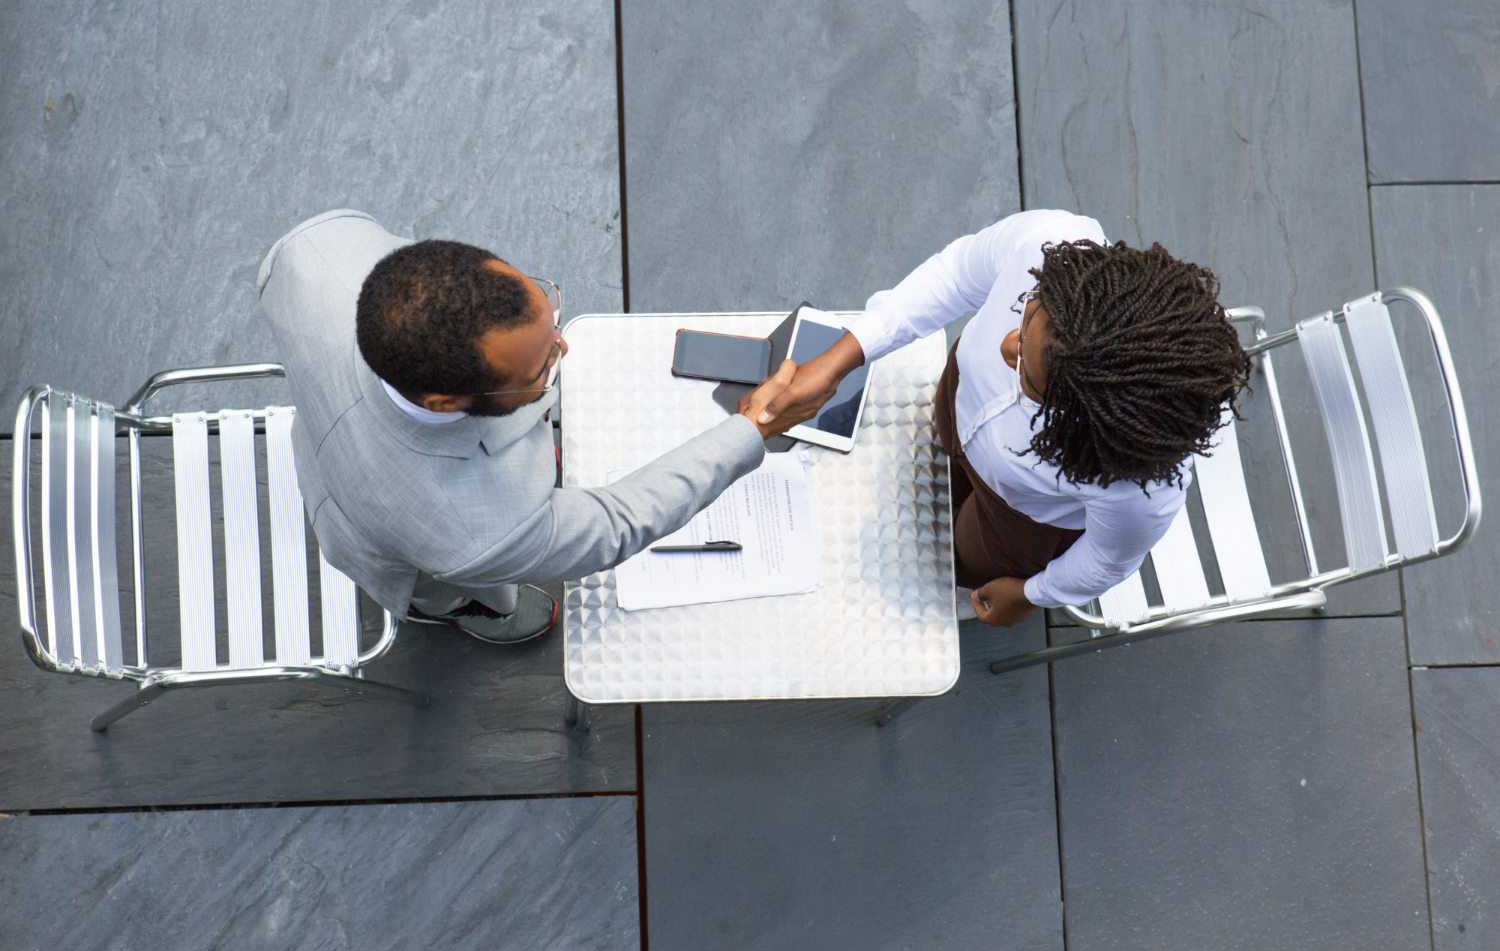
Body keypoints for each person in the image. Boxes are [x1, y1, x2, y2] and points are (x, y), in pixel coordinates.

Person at [258, 210, 823, 643]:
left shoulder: (318, 248)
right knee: (443, 587)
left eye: (551, 320)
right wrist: (750, 429)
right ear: (444, 402)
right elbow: (614, 525)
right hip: (386, 538)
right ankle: (458, 610)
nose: (564, 347)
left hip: (319, 424)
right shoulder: (479, 533)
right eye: (542, 366)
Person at [756, 210, 1253, 627]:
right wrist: (843, 357)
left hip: (1015, 516)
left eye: (1028, 374)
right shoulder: (1049, 240)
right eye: (1027, 315)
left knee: (959, 564)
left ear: (1084, 417)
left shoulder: (1137, 491)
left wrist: (1033, 592)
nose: (1006, 345)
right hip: (958, 406)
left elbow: (1105, 560)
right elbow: (953, 276)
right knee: (942, 444)